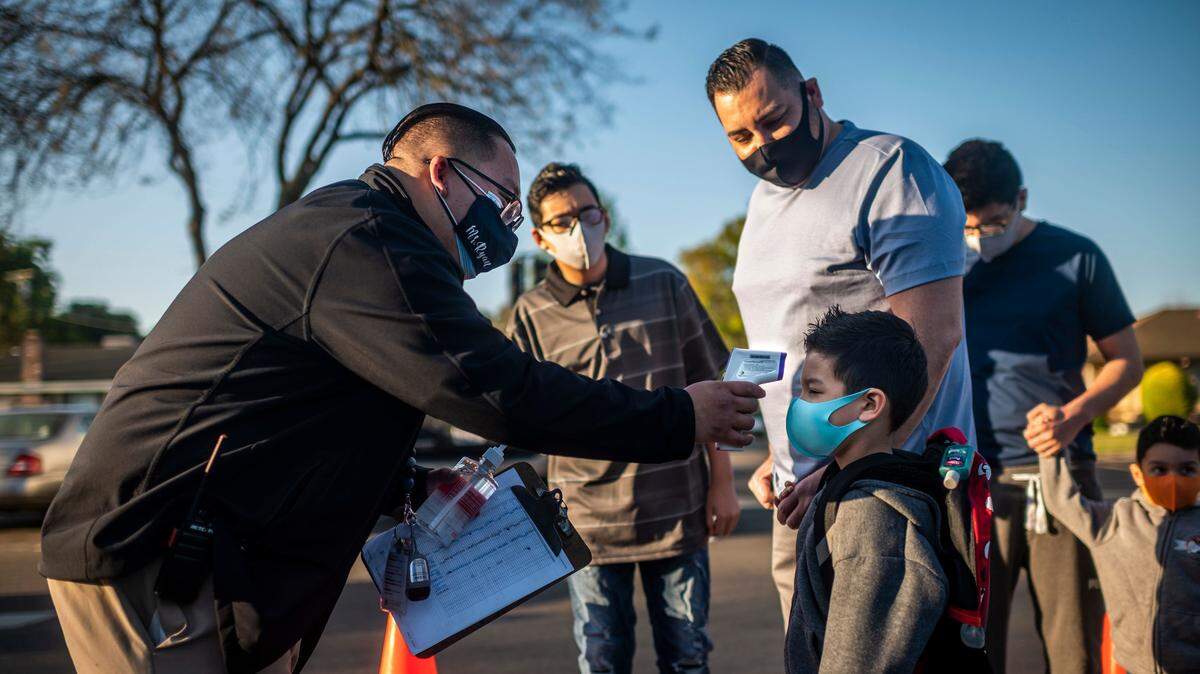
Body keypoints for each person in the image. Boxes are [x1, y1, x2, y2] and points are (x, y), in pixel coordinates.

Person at [38, 103, 765, 674]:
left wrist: (407, 486)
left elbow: (317, 413)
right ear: (441, 174)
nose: (504, 229)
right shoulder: (364, 244)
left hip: (214, 559)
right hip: (157, 558)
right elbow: (499, 390)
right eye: (503, 204)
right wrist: (677, 416)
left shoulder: (370, 241)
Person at [704, 38, 976, 624]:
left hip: (887, 489)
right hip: (797, 494)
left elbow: (933, 335)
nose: (762, 147)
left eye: (773, 121)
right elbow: (776, 335)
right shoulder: (762, 202)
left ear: (813, 94)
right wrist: (773, 450)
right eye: (740, 137)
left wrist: (849, 465)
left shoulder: (891, 171)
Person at [507, 163, 739, 674]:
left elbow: (714, 389)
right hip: (587, 524)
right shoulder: (530, 313)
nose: (579, 229)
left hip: (676, 512)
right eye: (563, 221)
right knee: (602, 661)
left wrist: (723, 484)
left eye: (586, 213)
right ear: (542, 238)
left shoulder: (664, 281)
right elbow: (521, 415)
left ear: (605, 218)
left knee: (687, 656)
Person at [945, 138, 1144, 673]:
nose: (979, 239)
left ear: (1023, 199)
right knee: (975, 651)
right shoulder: (943, 266)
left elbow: (1127, 361)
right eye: (966, 227)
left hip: (1062, 479)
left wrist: (1074, 414)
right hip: (972, 480)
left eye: (991, 224)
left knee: (1073, 648)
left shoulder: (1075, 256)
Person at [783, 307, 946, 673]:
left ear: (869, 404)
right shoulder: (843, 485)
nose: (800, 405)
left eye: (813, 390)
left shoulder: (873, 520)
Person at [1036, 415, 1200, 673]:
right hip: (1130, 666)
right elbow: (1062, 501)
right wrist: (1050, 449)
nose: (1173, 479)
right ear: (1137, 473)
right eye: (1159, 469)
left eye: (1187, 469)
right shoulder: (1112, 522)